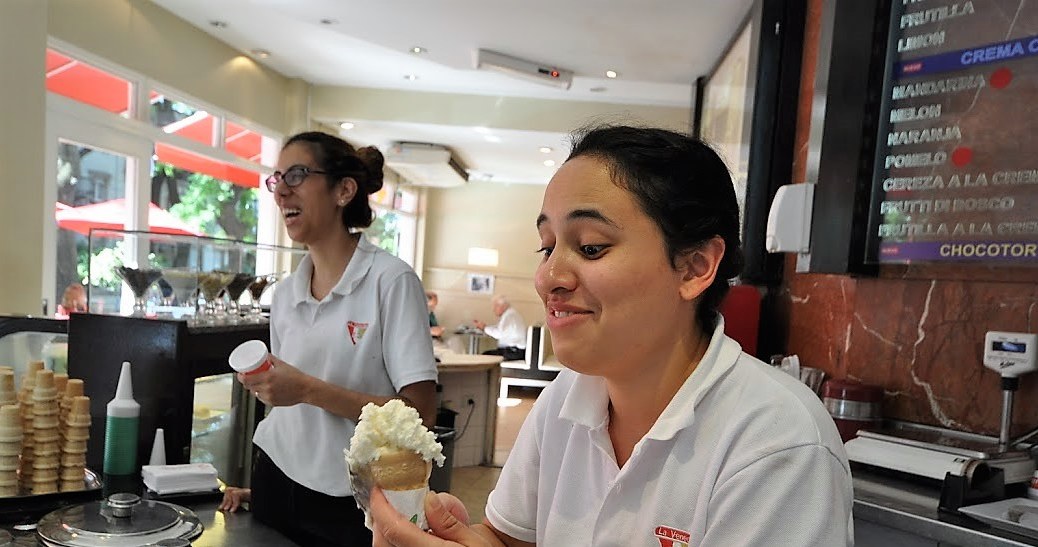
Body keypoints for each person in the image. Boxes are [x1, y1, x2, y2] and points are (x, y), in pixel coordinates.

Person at [370, 125, 853, 546]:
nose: (548, 277)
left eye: (591, 247)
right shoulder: (566, 400)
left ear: (695, 266)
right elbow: (509, 538)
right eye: (546, 247)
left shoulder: (778, 444)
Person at [217, 131, 438, 546]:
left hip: (350, 500)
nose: (281, 190)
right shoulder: (284, 295)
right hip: (276, 479)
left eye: (297, 175)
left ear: (344, 190)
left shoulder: (390, 281)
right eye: (276, 178)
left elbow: (420, 415)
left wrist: (305, 389)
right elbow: (291, 410)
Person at [473, 295, 526, 361]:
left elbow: (499, 334)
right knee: (486, 355)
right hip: (514, 351)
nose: (493, 310)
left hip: (514, 352)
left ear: (503, 306)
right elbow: (498, 328)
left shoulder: (509, 316)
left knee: (485, 356)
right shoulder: (511, 314)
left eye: (495, 306)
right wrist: (485, 327)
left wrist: (484, 328)